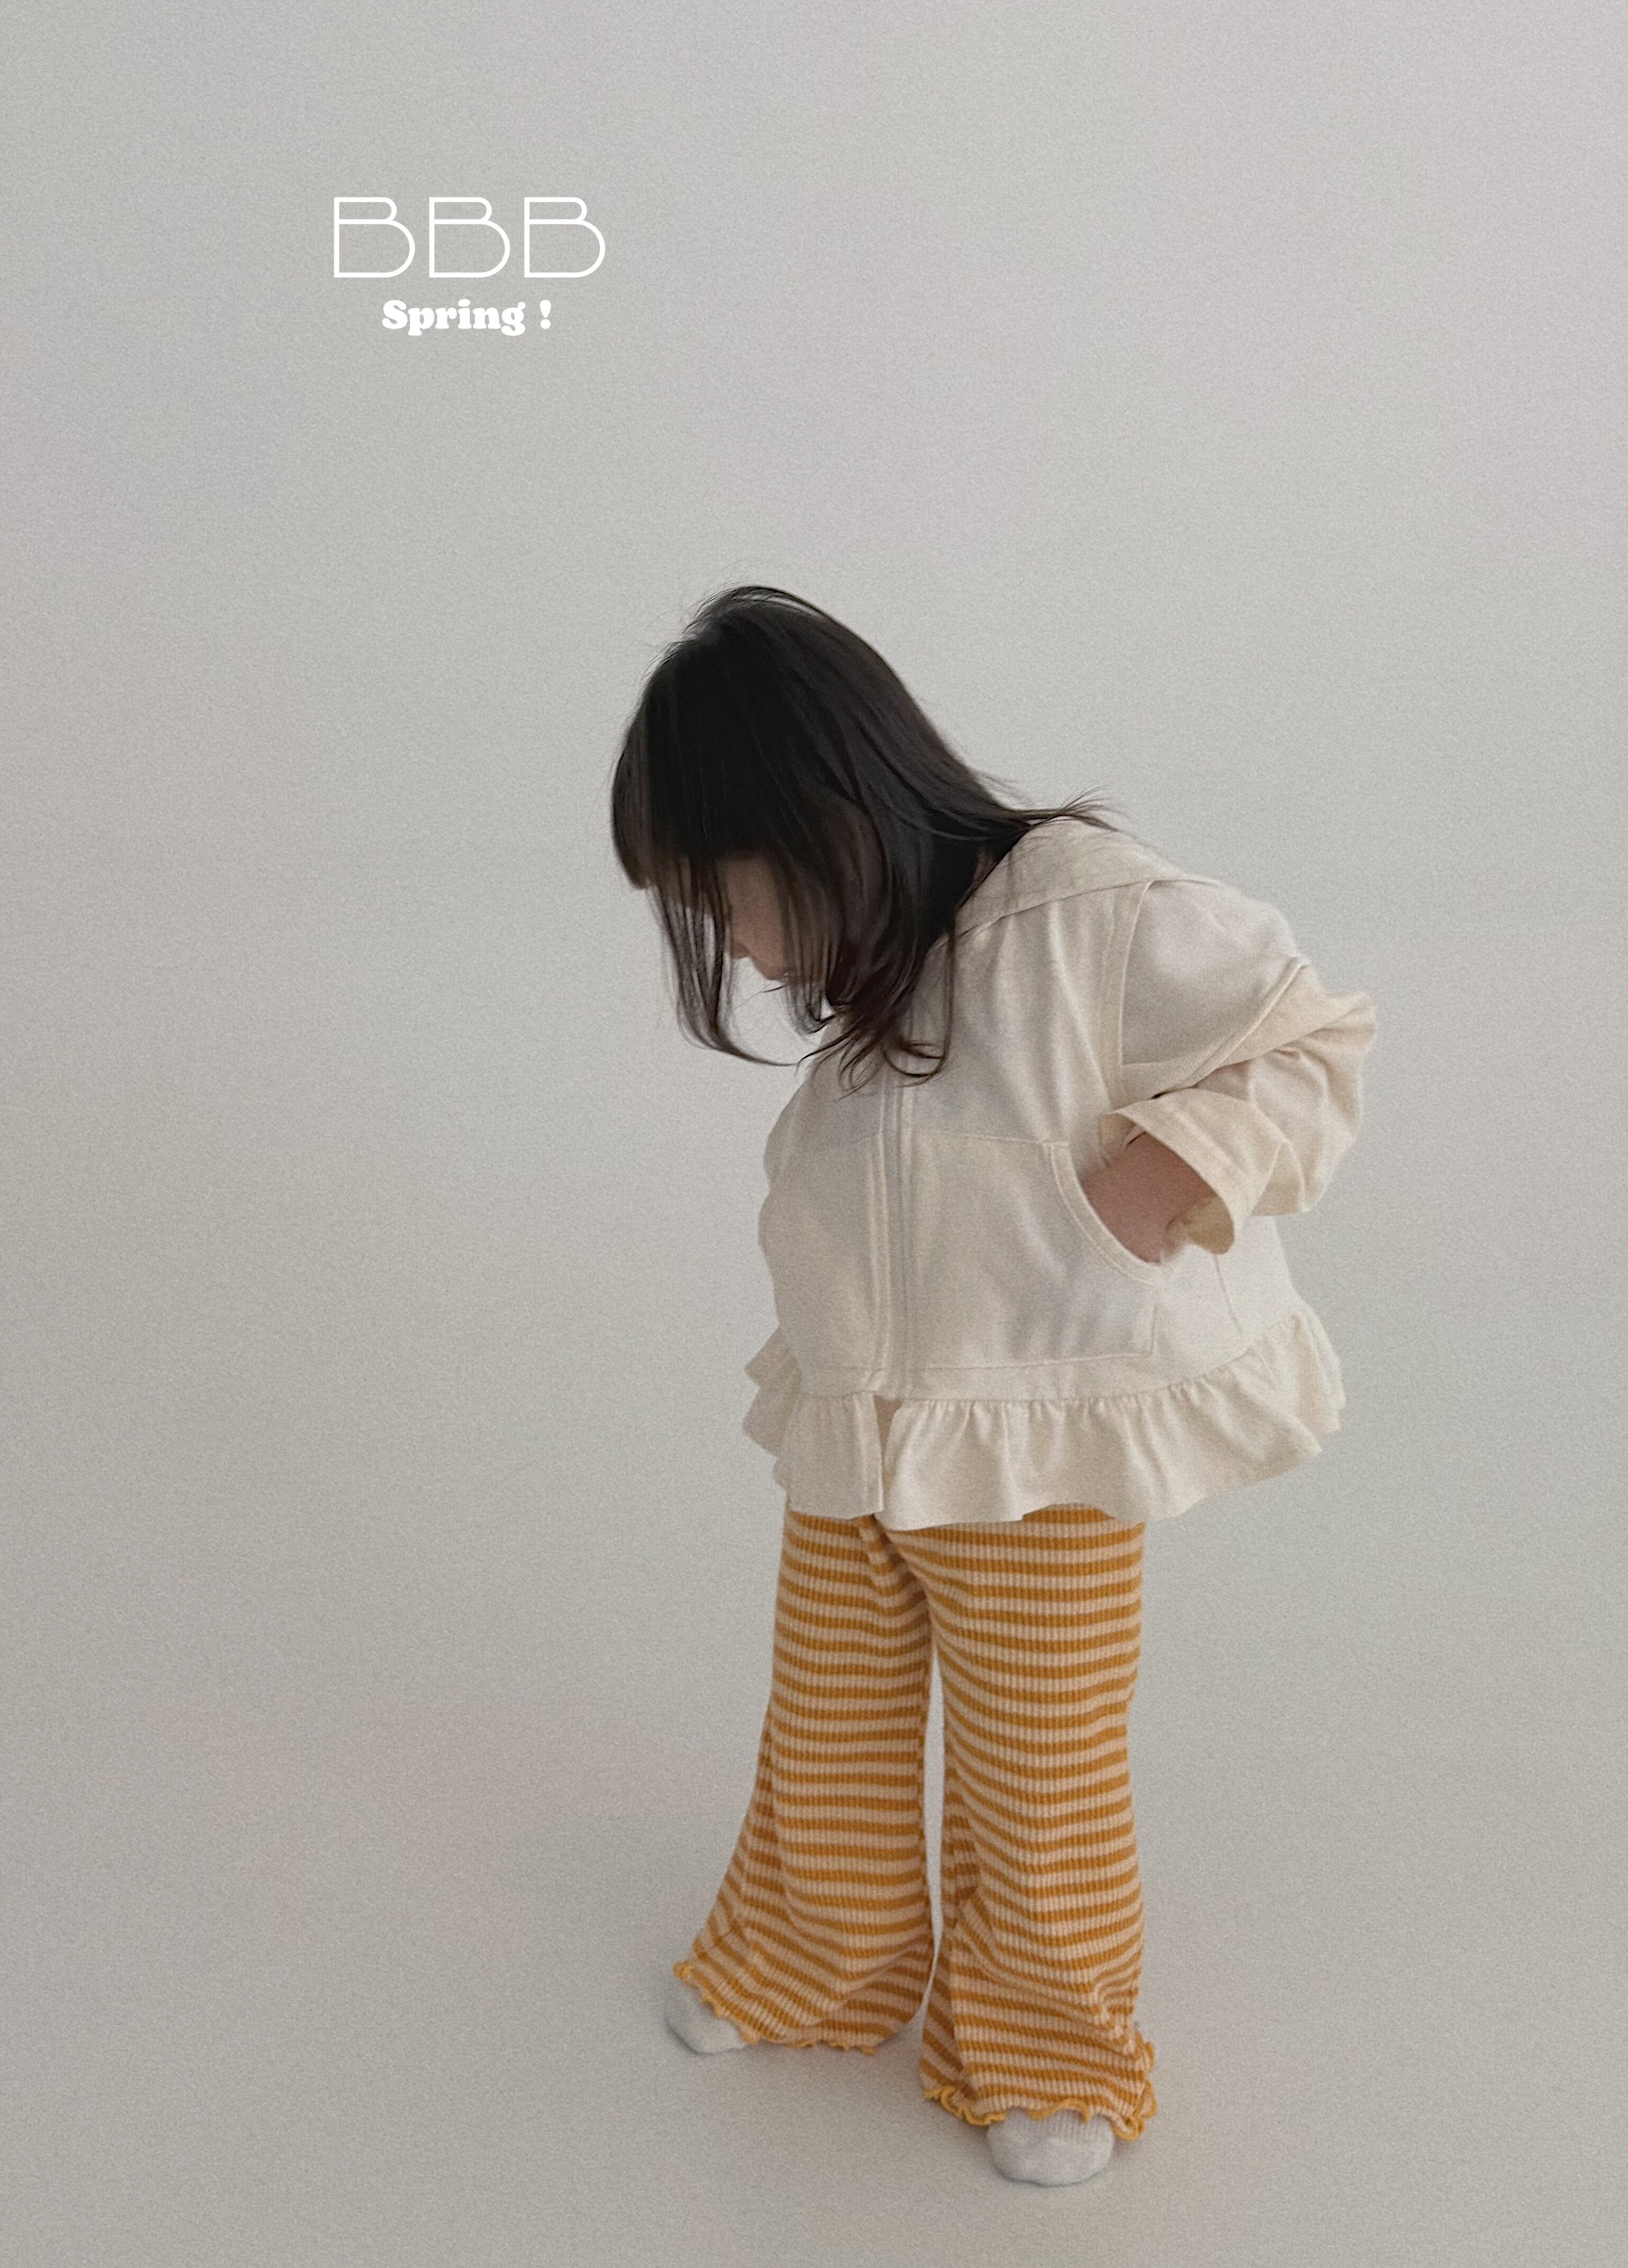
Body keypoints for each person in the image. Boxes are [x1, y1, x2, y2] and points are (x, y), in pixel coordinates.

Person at [608, 585, 1377, 2186]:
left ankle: (1045, 2044)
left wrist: (1164, 1175)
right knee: (825, 1724)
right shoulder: (891, 980)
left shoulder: (1085, 914)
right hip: (865, 1420)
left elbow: (1309, 1040)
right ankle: (808, 1963)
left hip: (1040, 1442)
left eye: (722, 895)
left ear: (814, 822)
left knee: (1037, 1765)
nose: (730, 942)